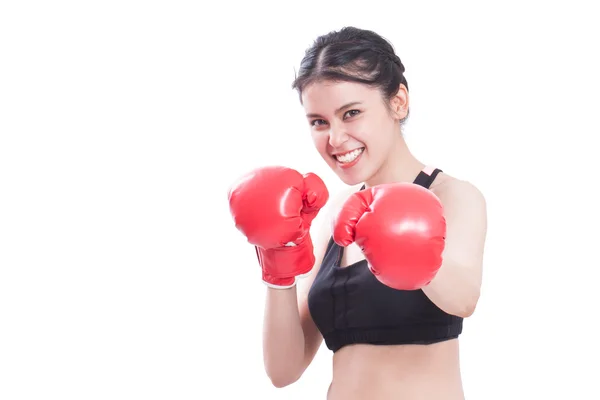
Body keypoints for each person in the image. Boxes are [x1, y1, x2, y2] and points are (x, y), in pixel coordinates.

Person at [227, 26, 488, 400]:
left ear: (398, 102)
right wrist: (277, 261)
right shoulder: (335, 214)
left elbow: (465, 299)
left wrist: (407, 244)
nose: (334, 139)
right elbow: (284, 370)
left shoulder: (451, 196)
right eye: (319, 121)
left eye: (351, 113)